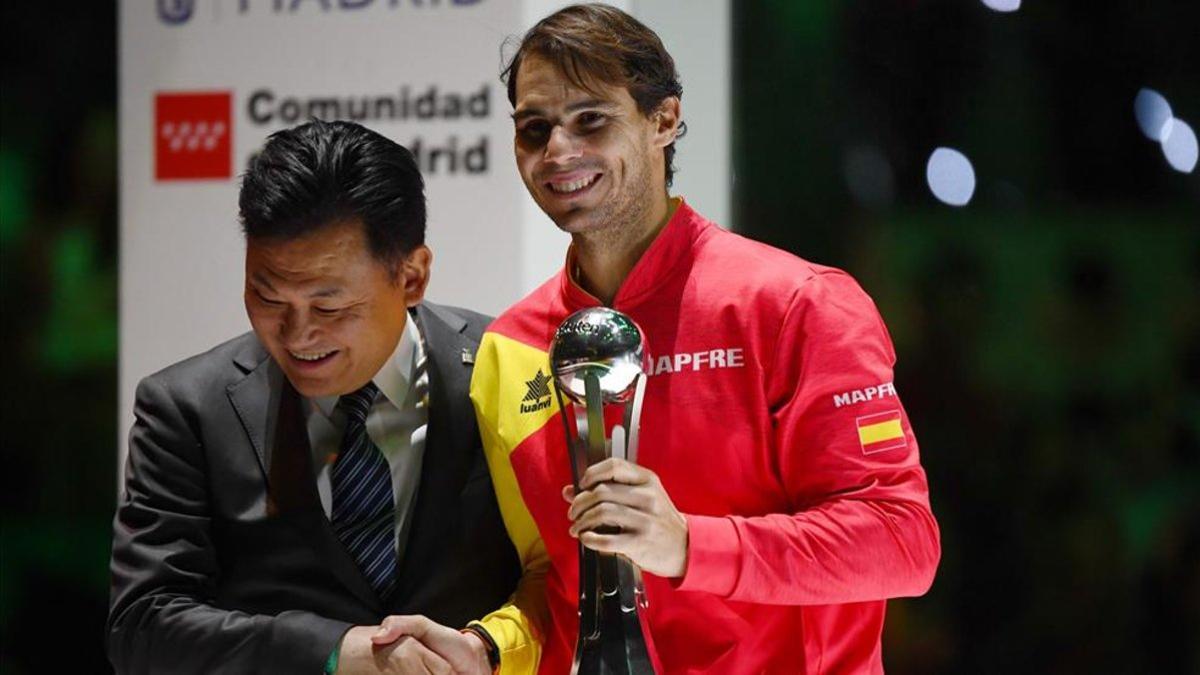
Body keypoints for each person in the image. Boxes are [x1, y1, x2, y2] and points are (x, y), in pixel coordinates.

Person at [462, 4, 942, 673]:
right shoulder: (507, 347)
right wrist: (486, 645)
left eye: (591, 119)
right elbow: (550, 578)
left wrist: (690, 544)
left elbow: (901, 542)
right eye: (534, 129)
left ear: (663, 120)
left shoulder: (794, 304)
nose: (558, 152)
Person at [106, 120, 517, 675]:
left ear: (413, 277)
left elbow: (569, 579)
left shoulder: (509, 370)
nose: (297, 336)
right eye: (266, 296)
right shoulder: (186, 407)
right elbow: (143, 623)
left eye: (329, 307)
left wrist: (487, 647)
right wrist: (331, 652)